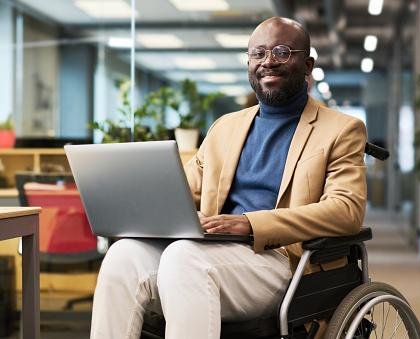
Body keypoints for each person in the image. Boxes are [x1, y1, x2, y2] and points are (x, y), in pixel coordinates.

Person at [90, 16, 366, 339]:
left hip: (280, 260)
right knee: (122, 256)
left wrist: (250, 223)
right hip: (211, 248)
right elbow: (183, 190)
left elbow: (347, 210)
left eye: (281, 52)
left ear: (307, 64)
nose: (268, 62)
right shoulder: (225, 128)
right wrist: (131, 203)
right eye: (258, 54)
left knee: (183, 259)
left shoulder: (340, 129)